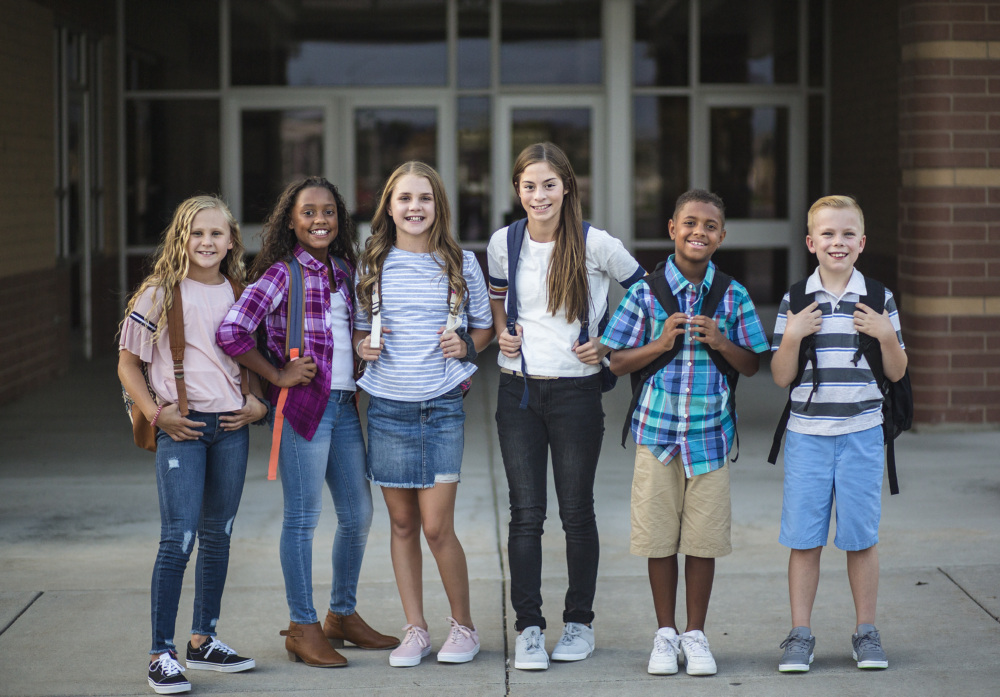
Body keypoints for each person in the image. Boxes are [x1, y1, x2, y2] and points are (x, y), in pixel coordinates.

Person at [216, 177, 398, 668]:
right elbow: (232, 331)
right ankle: (302, 624)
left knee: (357, 514)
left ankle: (342, 615)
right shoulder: (280, 274)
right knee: (302, 518)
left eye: (329, 212)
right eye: (309, 213)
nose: (320, 220)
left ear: (340, 220)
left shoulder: (345, 270)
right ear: (291, 222)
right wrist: (276, 374)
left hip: (343, 407)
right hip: (303, 409)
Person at [487, 142, 645, 671]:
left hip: (578, 392)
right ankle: (529, 627)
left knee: (577, 514)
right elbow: (499, 298)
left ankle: (579, 623)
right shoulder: (503, 242)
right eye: (529, 186)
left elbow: (647, 292)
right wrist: (505, 333)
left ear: (567, 187)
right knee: (526, 515)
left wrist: (611, 345)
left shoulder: (595, 243)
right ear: (517, 190)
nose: (539, 195)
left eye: (549, 184)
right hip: (520, 392)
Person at [601, 189, 768, 677]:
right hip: (656, 436)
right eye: (689, 223)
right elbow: (615, 360)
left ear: (722, 236)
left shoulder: (732, 295)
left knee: (702, 540)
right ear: (672, 229)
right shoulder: (646, 293)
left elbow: (753, 363)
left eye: (710, 226)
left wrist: (721, 341)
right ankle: (665, 633)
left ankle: (696, 634)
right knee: (658, 540)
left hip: (710, 438)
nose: (699, 232)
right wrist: (659, 343)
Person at [119, 195, 266, 694]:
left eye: (217, 234)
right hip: (181, 427)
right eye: (197, 233)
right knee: (177, 538)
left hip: (230, 427)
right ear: (181, 238)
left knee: (218, 533)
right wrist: (160, 414)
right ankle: (161, 652)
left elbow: (252, 358)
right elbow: (126, 365)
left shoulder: (241, 291)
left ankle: (203, 640)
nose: (207, 242)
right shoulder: (159, 293)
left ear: (231, 241)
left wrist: (257, 401)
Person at [353, 161, 494, 667]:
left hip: (441, 406)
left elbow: (484, 329)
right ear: (389, 207)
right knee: (402, 523)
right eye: (405, 198)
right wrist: (361, 348)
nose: (415, 207)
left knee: (437, 526)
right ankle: (415, 629)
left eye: (425, 198)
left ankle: (465, 626)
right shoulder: (371, 264)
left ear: (440, 206)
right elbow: (357, 330)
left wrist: (466, 346)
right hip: (388, 405)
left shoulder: (461, 263)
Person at [770, 195, 906, 673]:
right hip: (808, 435)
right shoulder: (796, 299)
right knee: (804, 539)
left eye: (848, 234)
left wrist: (886, 334)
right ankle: (799, 634)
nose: (838, 242)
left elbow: (897, 370)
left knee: (860, 537)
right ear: (811, 243)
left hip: (862, 434)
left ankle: (866, 631)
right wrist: (792, 335)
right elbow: (781, 377)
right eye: (827, 234)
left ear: (862, 243)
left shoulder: (878, 297)